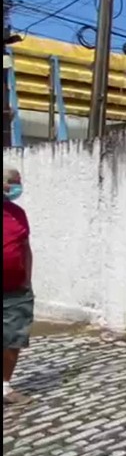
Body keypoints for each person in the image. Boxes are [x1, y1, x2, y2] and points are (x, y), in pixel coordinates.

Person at [3, 165, 33, 405]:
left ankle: (4, 386)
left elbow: (25, 247)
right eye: (13, 182)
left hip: (16, 289)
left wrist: (27, 279)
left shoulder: (17, 213)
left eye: (18, 182)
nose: (17, 187)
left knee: (14, 338)